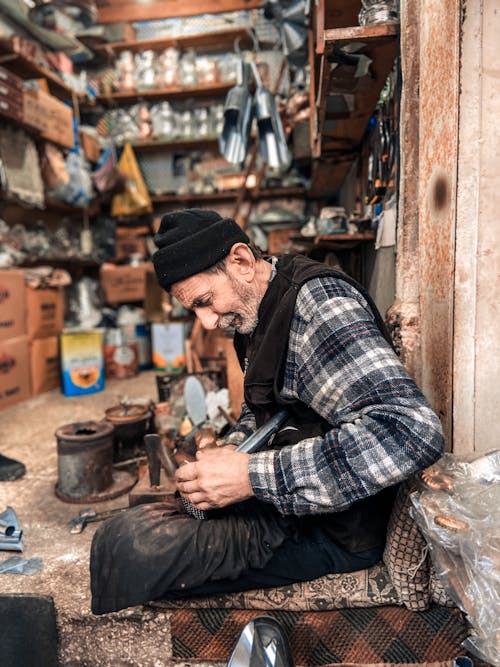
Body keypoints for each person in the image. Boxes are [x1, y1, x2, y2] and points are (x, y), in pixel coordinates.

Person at [90, 209, 444, 615]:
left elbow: (411, 432)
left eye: (205, 301)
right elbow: (264, 408)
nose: (206, 322)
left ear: (240, 261)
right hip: (288, 504)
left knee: (135, 553)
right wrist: (234, 449)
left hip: (336, 526)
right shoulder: (255, 309)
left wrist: (252, 477)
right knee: (124, 532)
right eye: (194, 310)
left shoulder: (319, 309)